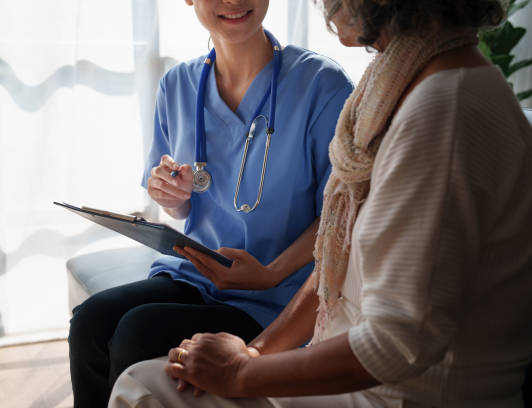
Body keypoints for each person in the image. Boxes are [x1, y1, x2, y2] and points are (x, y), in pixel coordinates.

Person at [107, 0, 532, 407]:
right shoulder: (412, 86)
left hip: (398, 396)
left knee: (143, 388)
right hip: (372, 378)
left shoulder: (439, 113)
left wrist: (239, 373)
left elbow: (395, 344)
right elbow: (339, 262)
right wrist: (254, 354)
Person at [67, 0, 353, 406]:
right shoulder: (177, 85)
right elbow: (182, 208)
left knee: (138, 331)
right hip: (197, 276)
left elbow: (342, 216)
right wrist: (170, 193)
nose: (233, 2)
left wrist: (270, 274)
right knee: (91, 322)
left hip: (281, 294)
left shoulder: (321, 85)